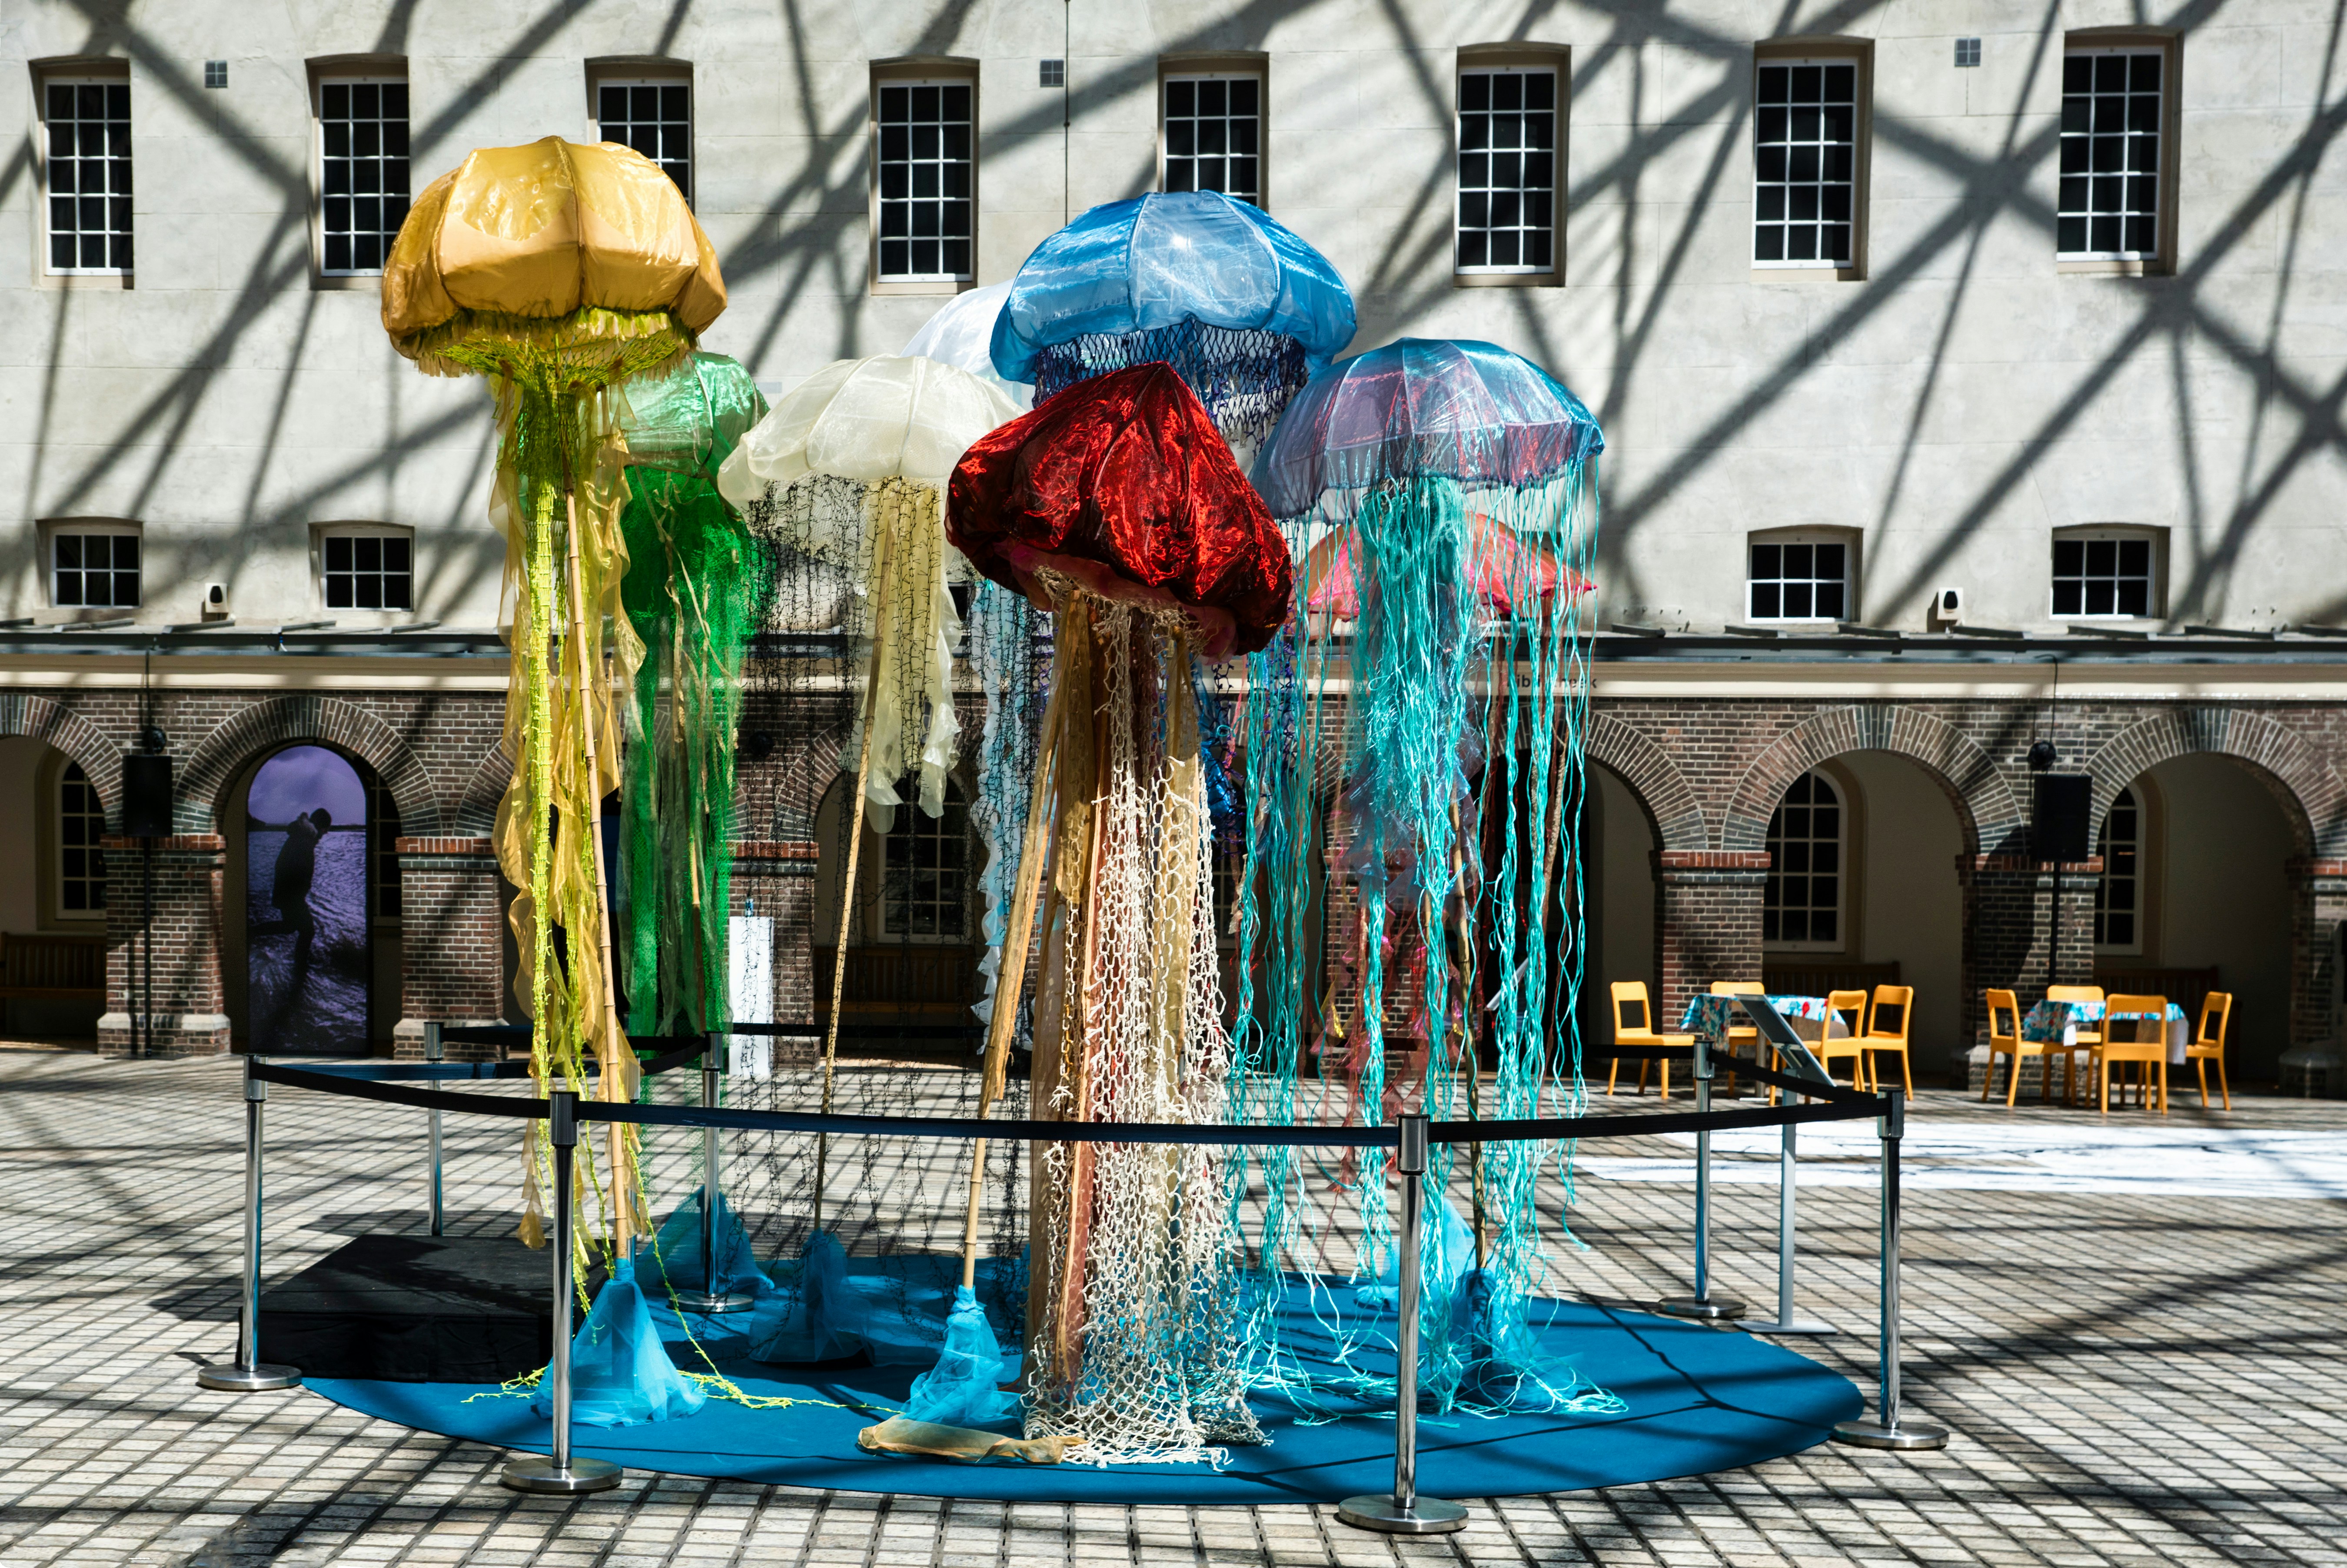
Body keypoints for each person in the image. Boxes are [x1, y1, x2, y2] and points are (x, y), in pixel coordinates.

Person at [273, 807, 328, 972]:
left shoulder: (303, 838)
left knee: (289, 927)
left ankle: (299, 963)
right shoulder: (304, 840)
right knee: (308, 931)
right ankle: (300, 966)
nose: (325, 834)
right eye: (325, 830)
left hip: (289, 892)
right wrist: (298, 892)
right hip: (291, 894)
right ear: (320, 827)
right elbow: (292, 868)